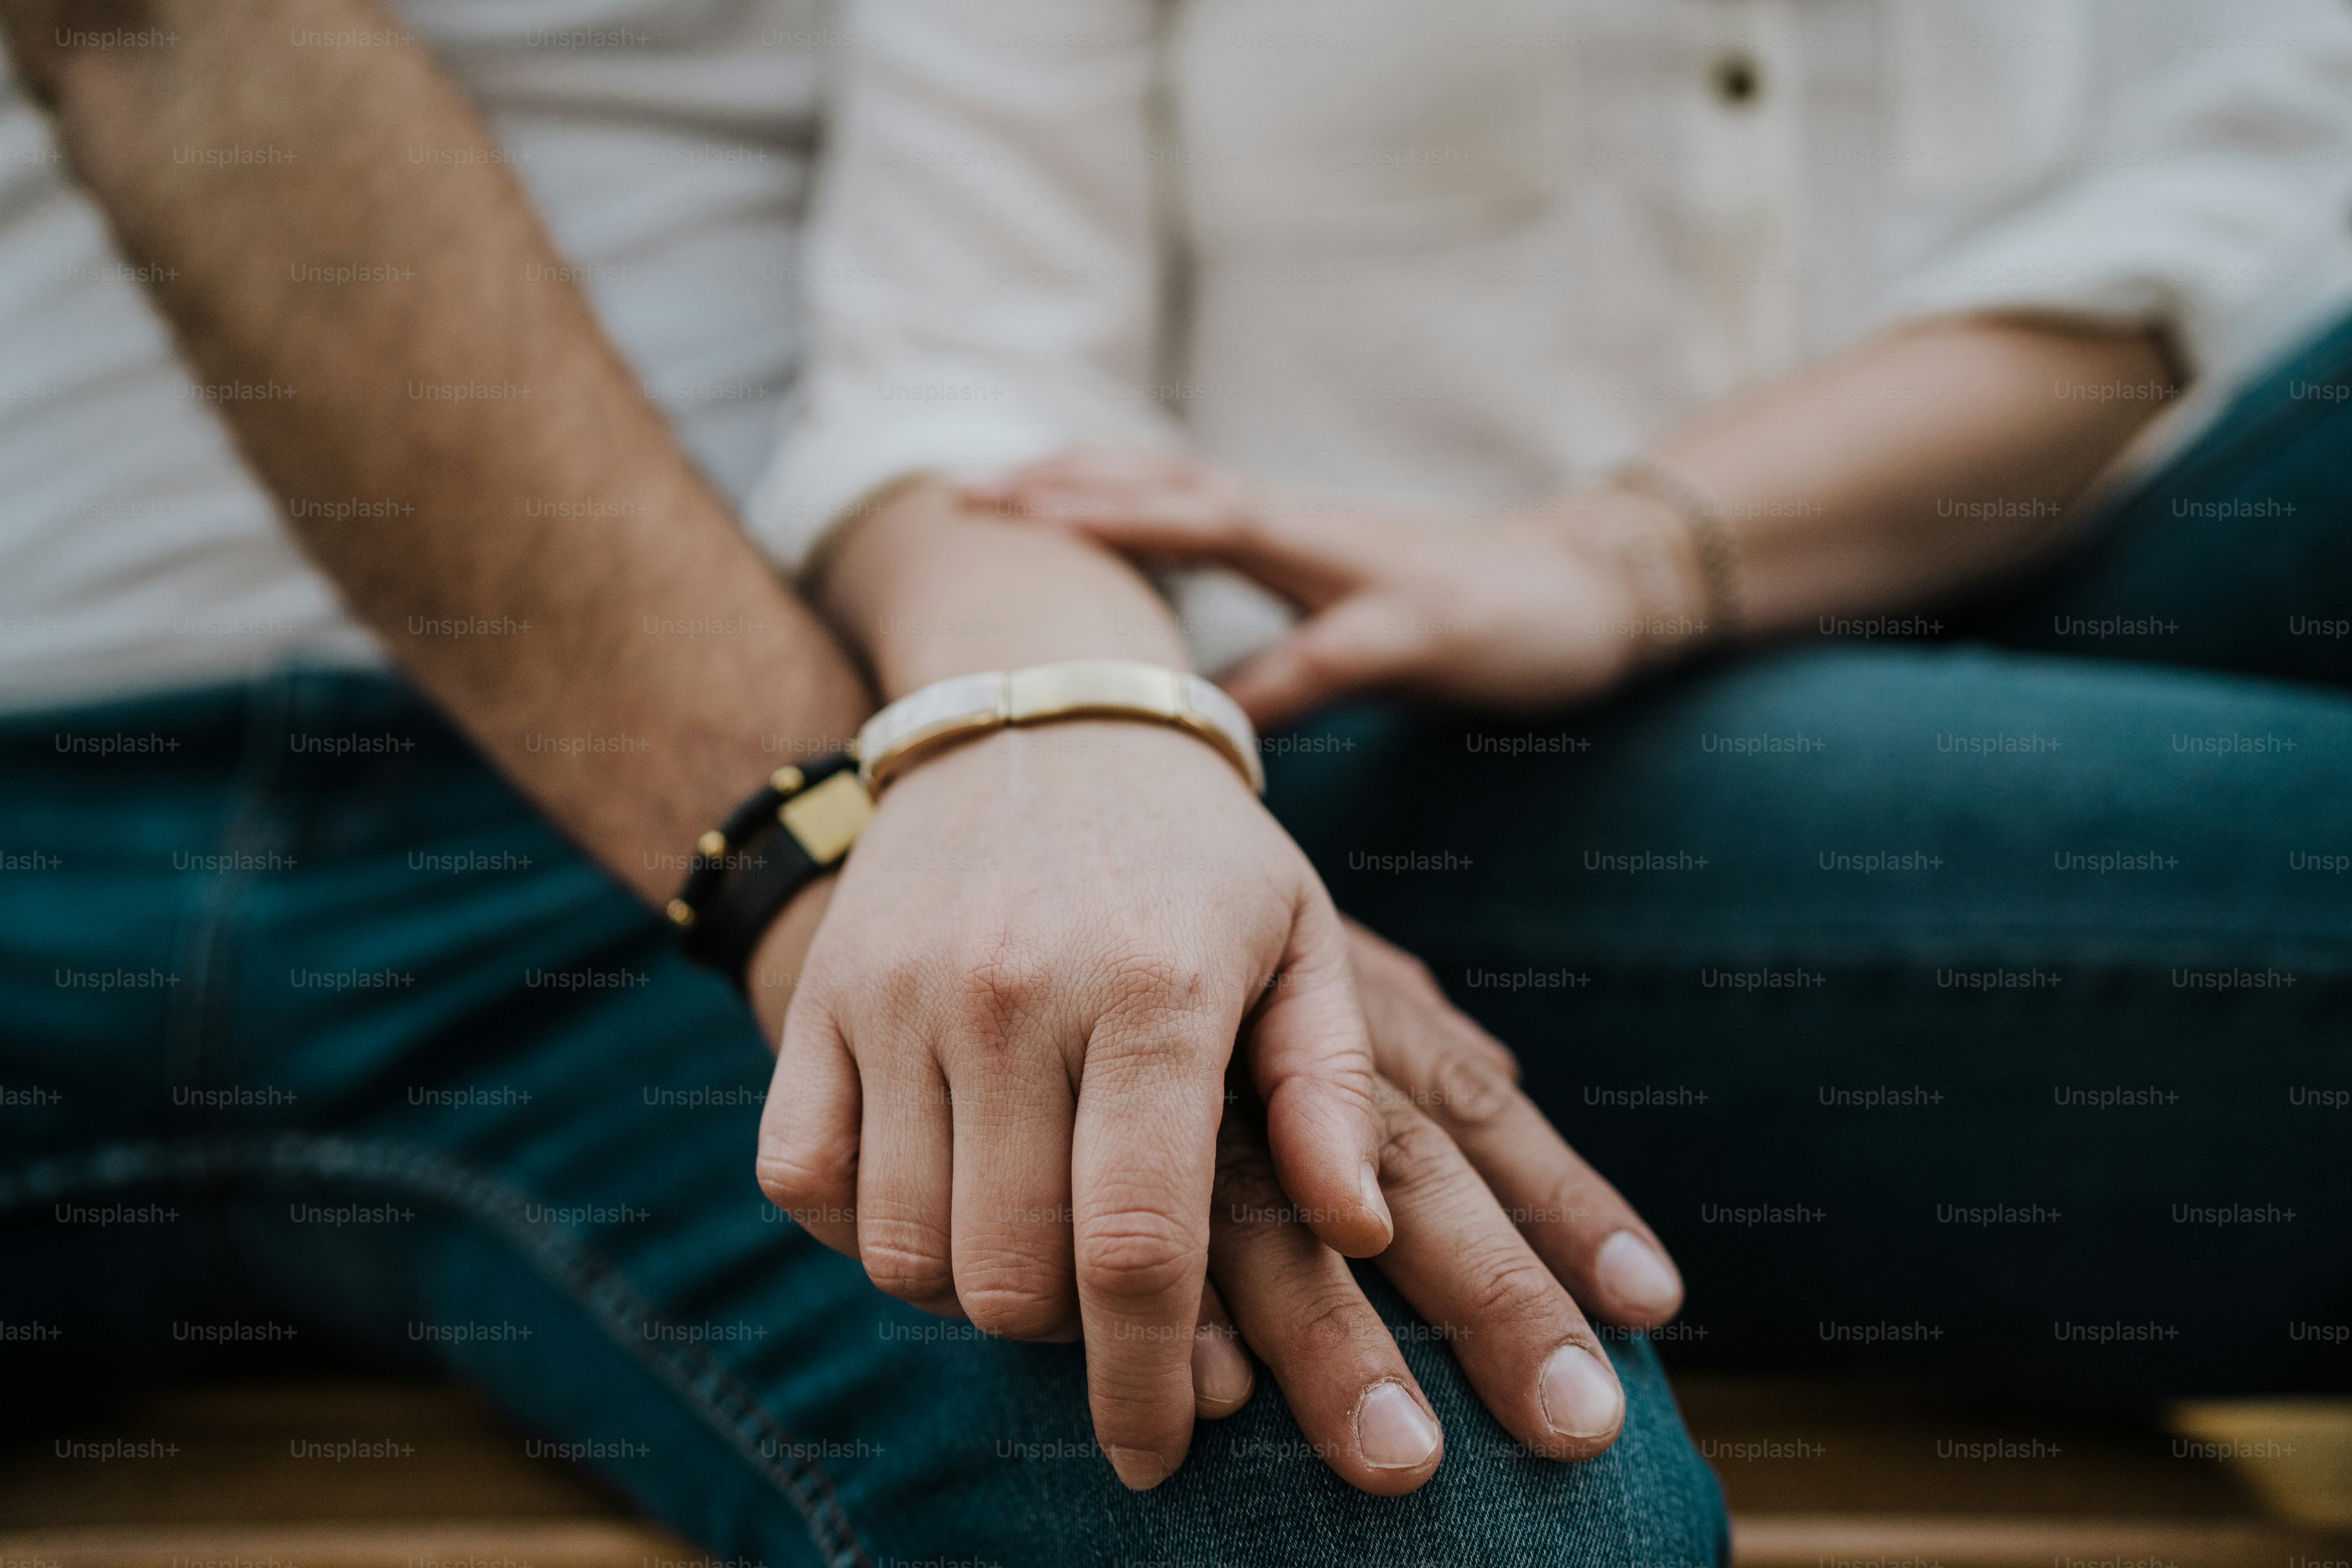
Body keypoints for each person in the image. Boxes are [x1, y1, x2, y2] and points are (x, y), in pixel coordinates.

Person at [0, 1, 1731, 1562]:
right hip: (741, 794)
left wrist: (1023, 813)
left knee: (1454, 1527)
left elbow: (985, 326)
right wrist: (831, 853)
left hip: (713, 824)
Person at [751, 0, 2352, 1400]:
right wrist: (1093, 728)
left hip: (2067, 548)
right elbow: (957, 380)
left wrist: (1627, 554)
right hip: (1393, 730)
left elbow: (2242, 179)